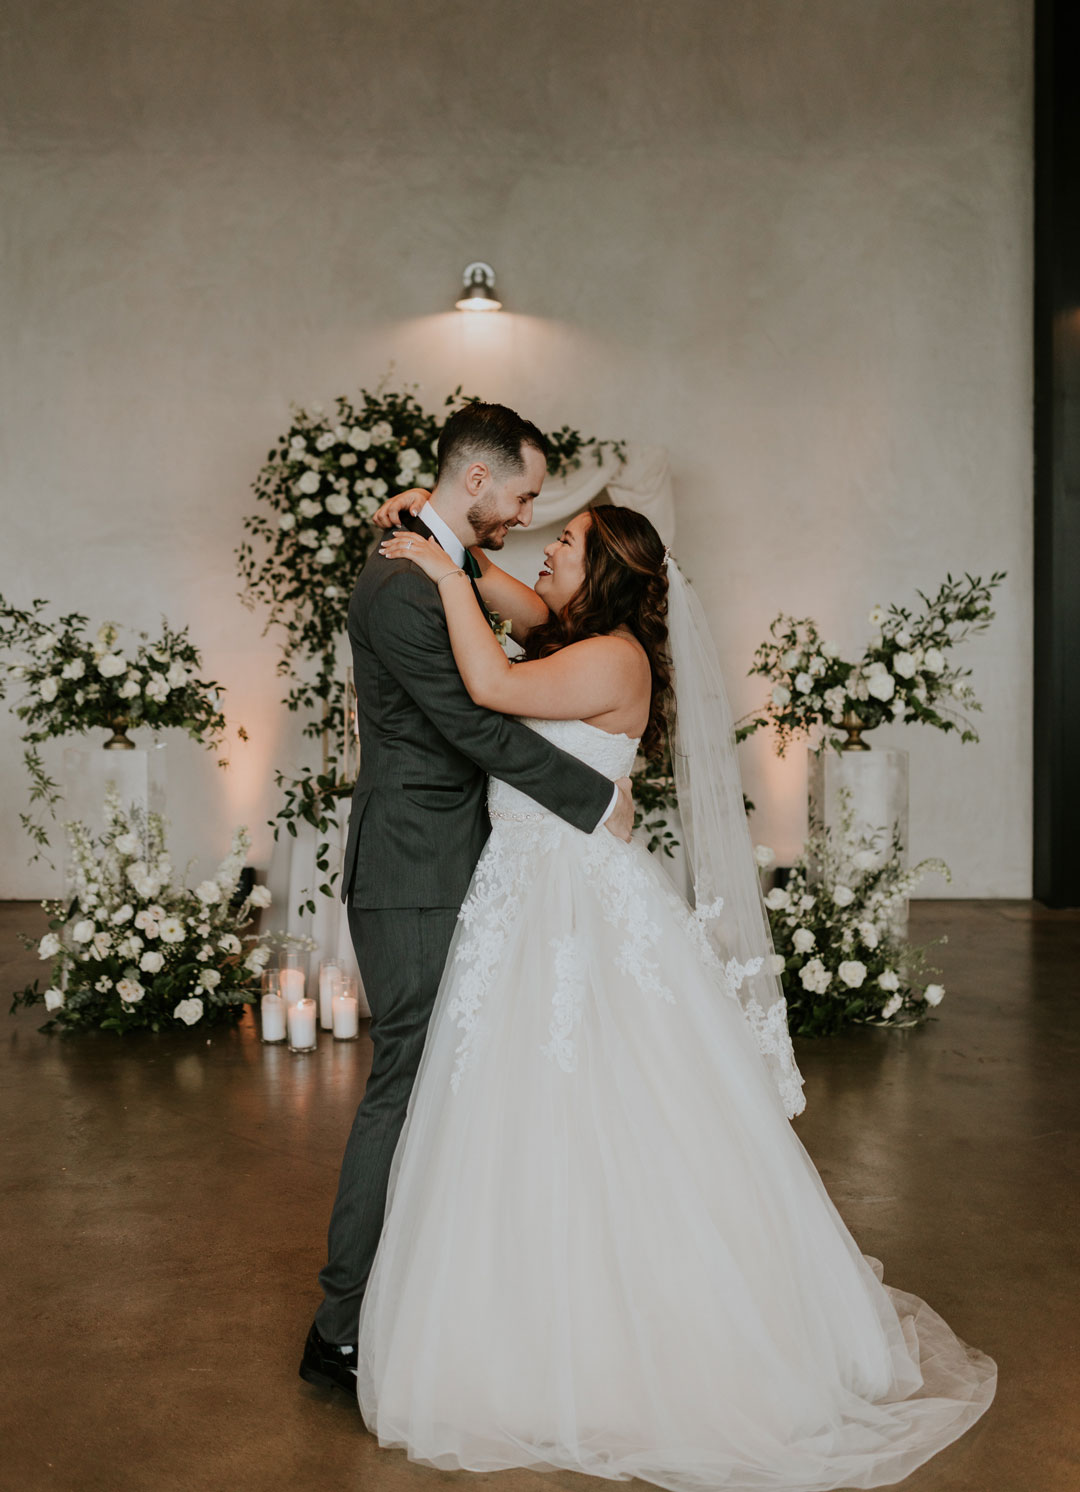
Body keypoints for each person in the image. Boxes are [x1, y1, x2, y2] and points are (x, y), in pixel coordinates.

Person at [348, 494, 996, 1492]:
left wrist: (439, 572)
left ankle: (628, 1344)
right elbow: (519, 601)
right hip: (521, 897)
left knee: (606, 1106)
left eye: (566, 543)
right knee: (515, 1112)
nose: (544, 549)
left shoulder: (612, 661)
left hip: (571, 904)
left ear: (604, 576)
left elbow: (487, 682)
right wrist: (452, 546)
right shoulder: (577, 634)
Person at [299, 404, 635, 1396]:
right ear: (479, 480)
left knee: (455, 1086)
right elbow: (470, 725)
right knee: (405, 1085)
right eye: (525, 496)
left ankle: (439, 1298)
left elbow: (520, 637)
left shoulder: (436, 561)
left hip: (460, 863)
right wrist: (594, 796)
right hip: (413, 870)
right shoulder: (405, 583)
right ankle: (338, 1328)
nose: (529, 516)